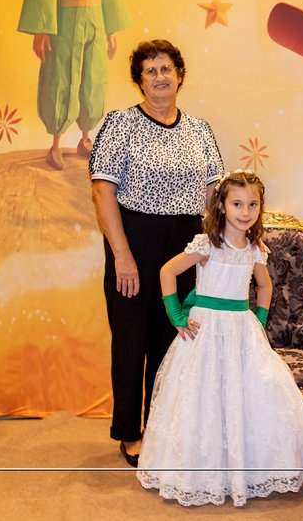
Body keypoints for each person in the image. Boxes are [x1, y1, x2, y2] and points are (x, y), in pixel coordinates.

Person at [137, 169, 303, 507]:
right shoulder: (208, 245)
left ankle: (248, 468)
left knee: (248, 393)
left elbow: (264, 286)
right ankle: (202, 471)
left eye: (253, 204)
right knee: (202, 396)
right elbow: (167, 271)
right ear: (222, 205)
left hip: (241, 328)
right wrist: (176, 315)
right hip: (205, 330)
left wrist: (259, 320)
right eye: (237, 204)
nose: (245, 211)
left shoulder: (254, 249)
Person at [89, 39, 224, 467]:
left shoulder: (200, 129)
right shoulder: (120, 124)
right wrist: (122, 255)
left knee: (174, 339)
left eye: (166, 69)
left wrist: (220, 247)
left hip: (186, 247)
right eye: (150, 70)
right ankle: (130, 433)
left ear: (179, 76)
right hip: (135, 241)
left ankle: (164, 429)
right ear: (139, 81)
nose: (160, 77)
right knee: (132, 340)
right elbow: (102, 192)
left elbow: (214, 196)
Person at [18, 0, 130, 169]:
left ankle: (85, 139)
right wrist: (41, 29)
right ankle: (56, 146)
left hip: (95, 19)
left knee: (93, 77)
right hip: (65, 20)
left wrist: (111, 30)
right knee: (61, 77)